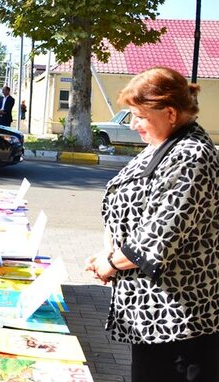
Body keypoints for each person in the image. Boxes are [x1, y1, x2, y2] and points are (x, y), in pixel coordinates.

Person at [84, 67, 219, 382]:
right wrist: (109, 251)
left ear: (170, 113)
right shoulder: (165, 144)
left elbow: (155, 241)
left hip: (179, 327)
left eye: (139, 116)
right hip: (153, 321)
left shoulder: (192, 156)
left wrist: (110, 263)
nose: (133, 125)